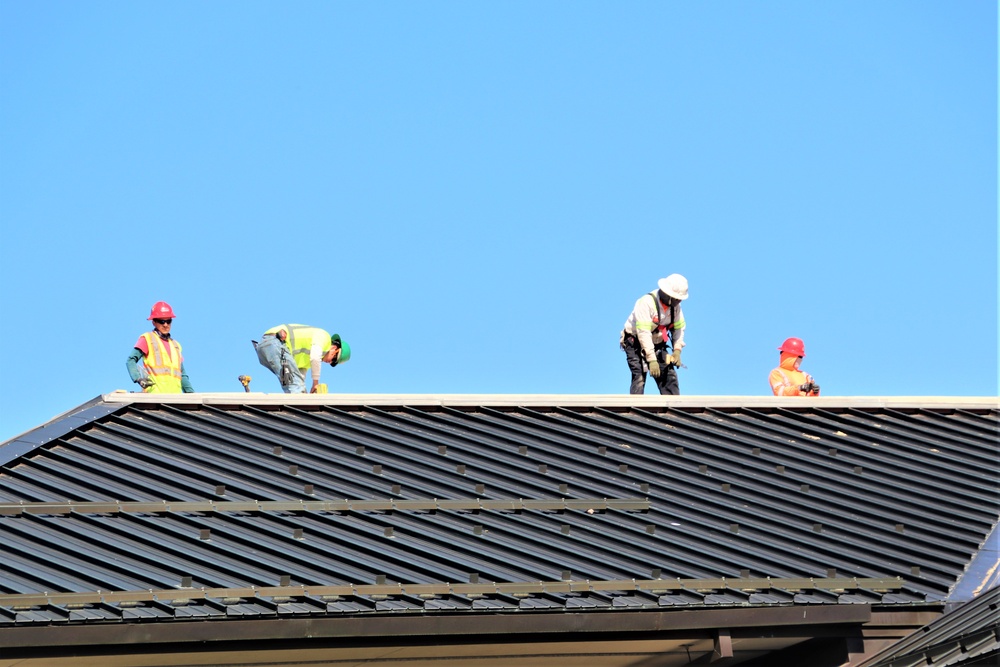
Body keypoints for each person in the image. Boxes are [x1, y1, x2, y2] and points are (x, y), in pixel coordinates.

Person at [621, 274, 688, 395]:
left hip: (657, 343)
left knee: (669, 377)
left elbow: (678, 329)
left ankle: (673, 409)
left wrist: (677, 350)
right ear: (669, 295)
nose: (680, 301)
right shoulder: (646, 303)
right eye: (678, 298)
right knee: (639, 376)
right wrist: (651, 360)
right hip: (635, 341)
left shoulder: (676, 308)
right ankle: (636, 409)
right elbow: (643, 334)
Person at [254, 324, 351, 393]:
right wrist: (315, 383)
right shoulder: (324, 337)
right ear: (334, 348)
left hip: (266, 349)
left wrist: (306, 393)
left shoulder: (306, 361)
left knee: (294, 386)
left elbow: (299, 377)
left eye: (333, 363)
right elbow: (315, 357)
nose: (330, 362)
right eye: (334, 359)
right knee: (296, 388)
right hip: (275, 341)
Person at [126, 301, 194, 393]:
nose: (165, 325)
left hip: (175, 400)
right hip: (154, 398)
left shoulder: (176, 346)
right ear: (153, 322)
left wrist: (192, 396)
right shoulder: (147, 339)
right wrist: (138, 379)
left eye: (168, 321)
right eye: (161, 321)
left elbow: (182, 374)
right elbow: (131, 360)